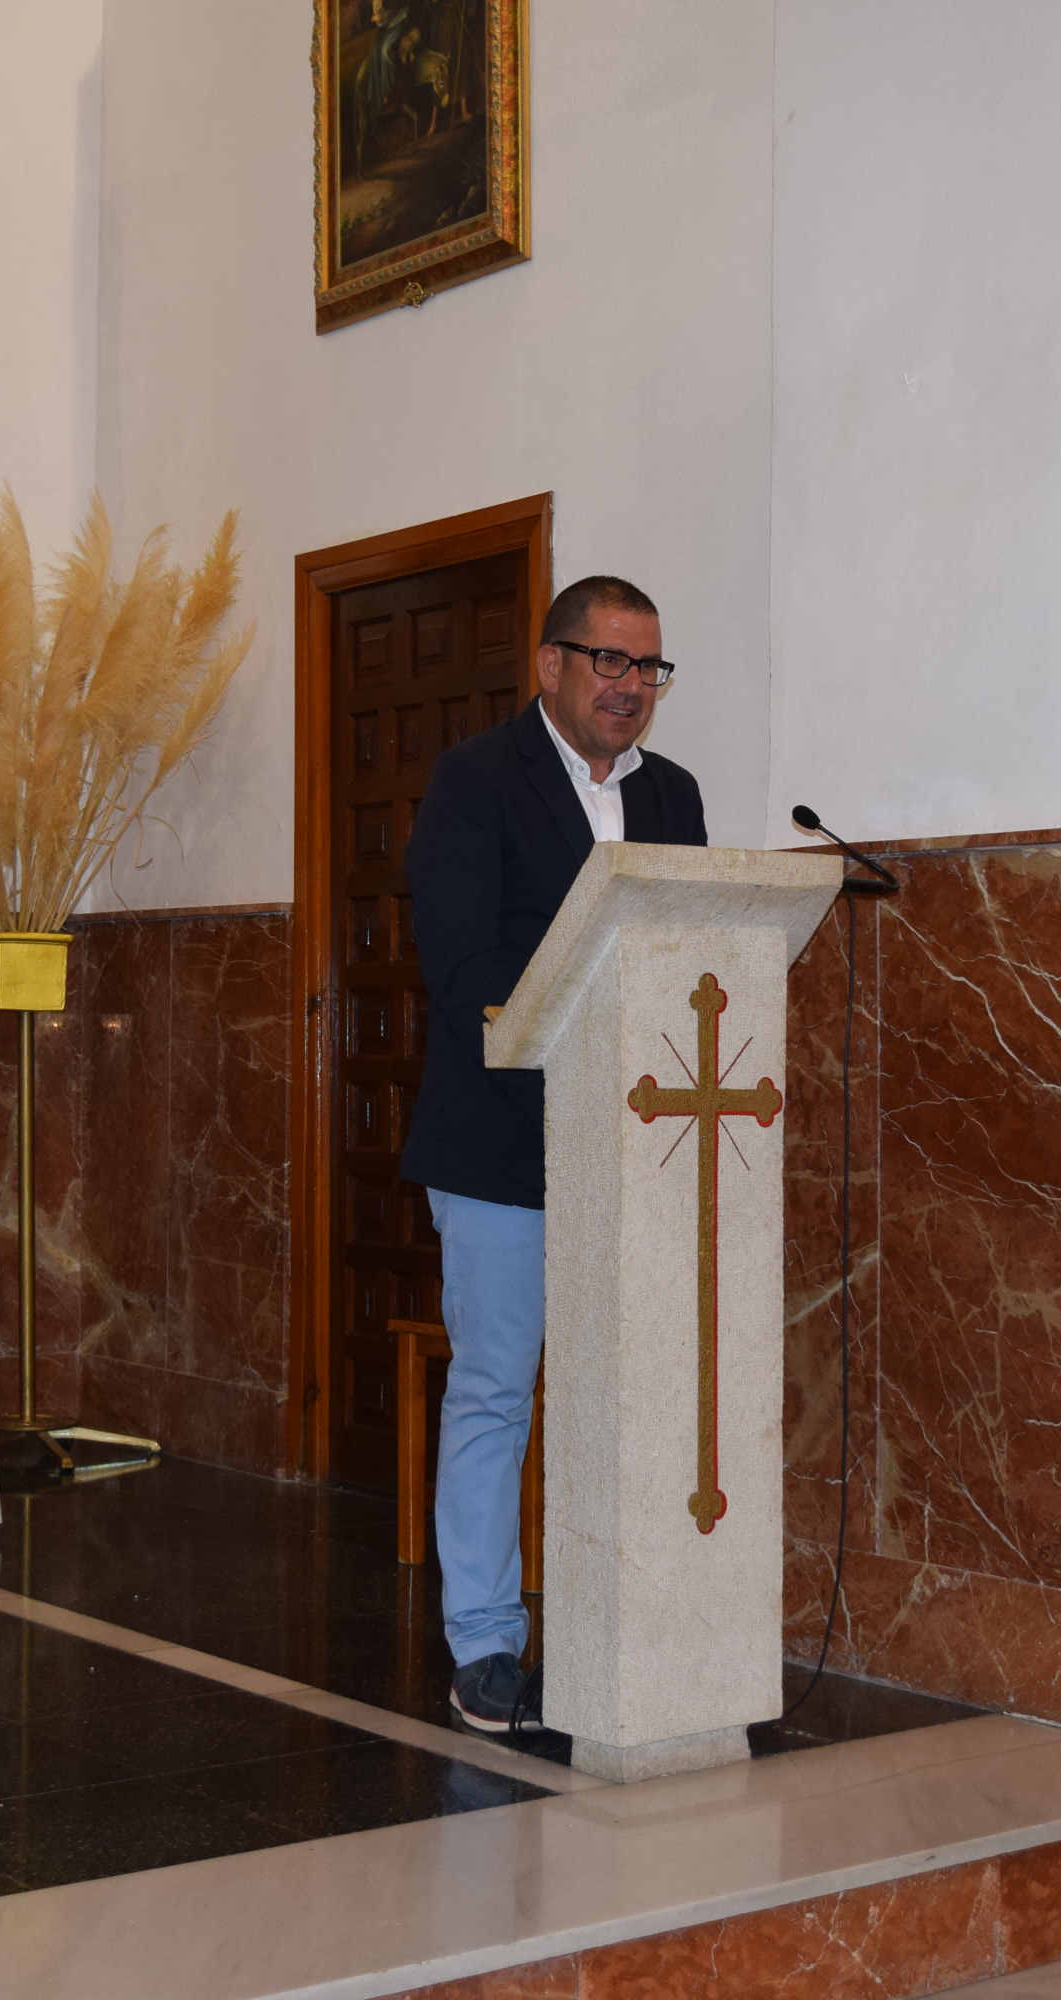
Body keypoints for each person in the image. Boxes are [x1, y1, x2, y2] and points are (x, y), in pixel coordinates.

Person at [399, 575, 705, 1734]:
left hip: (636, 1142)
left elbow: (687, 953)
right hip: (500, 1144)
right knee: (494, 1387)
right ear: (550, 664)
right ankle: (484, 1642)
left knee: (630, 1391)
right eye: (609, 659)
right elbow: (463, 967)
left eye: (648, 666)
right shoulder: (476, 780)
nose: (631, 685)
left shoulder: (672, 794)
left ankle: (622, 1622)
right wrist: (587, 1050)